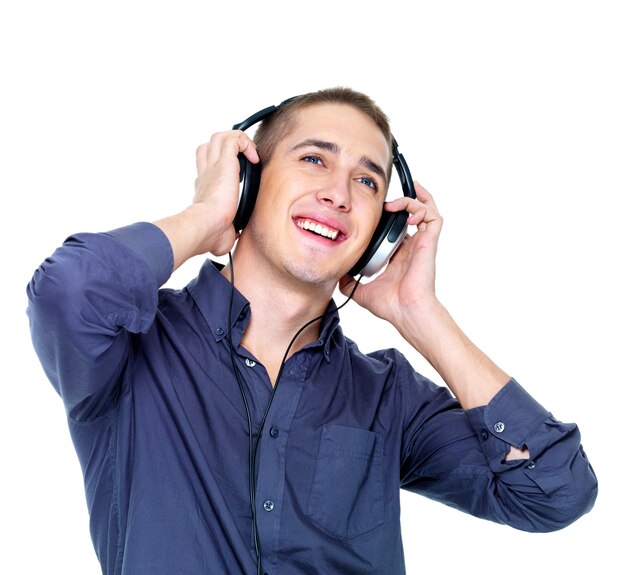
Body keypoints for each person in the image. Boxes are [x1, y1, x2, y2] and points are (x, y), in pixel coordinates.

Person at [27, 87, 597, 575]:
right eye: (314, 160)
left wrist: (418, 311)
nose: (339, 194)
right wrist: (205, 216)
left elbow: (555, 492)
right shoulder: (133, 346)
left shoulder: (388, 396)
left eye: (368, 182)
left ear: (380, 235)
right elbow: (67, 291)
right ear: (249, 182)